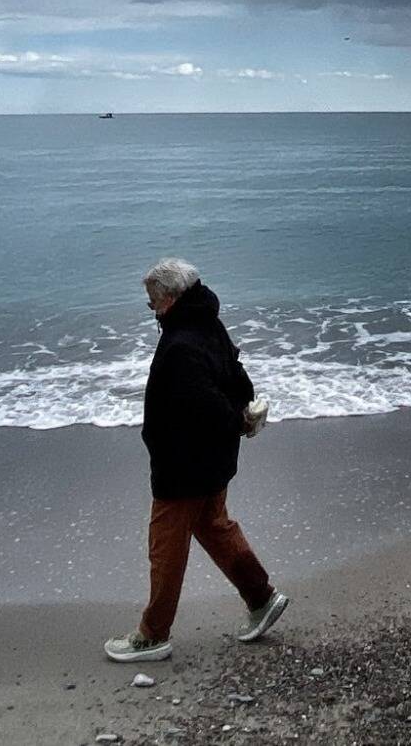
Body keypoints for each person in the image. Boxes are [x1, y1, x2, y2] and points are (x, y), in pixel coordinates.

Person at [104, 258, 288, 661]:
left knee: (165, 549)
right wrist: (240, 419)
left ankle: (153, 636)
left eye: (152, 300)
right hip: (212, 461)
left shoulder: (181, 344)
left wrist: (234, 421)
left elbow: (207, 402)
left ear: (170, 298)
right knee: (215, 527)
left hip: (183, 467)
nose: (150, 308)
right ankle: (261, 598)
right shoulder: (207, 325)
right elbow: (238, 379)